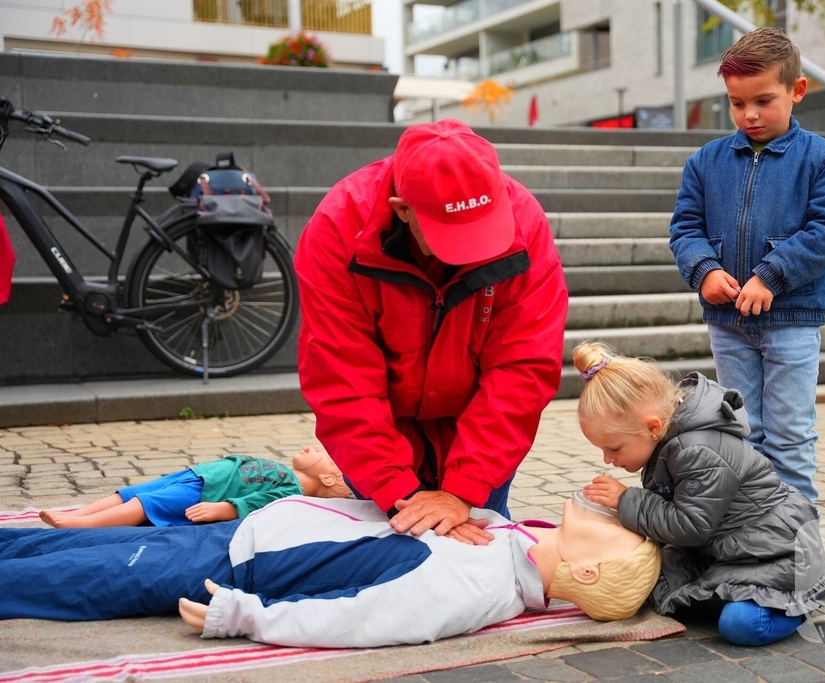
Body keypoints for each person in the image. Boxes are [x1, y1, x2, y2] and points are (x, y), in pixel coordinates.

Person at [294, 118, 568, 540]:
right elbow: (341, 379)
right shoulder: (339, 229)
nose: (471, 253)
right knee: (394, 558)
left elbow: (523, 368)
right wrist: (396, 490)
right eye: (454, 237)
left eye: (481, 232)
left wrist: (463, 490)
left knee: (476, 554)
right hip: (384, 429)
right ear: (402, 208)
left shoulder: (523, 224)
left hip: (477, 428)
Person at [1, 495, 661, 649]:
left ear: (590, 568)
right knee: (33, 549)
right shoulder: (505, 535)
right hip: (247, 535)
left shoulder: (476, 583)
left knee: (59, 577)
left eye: (618, 530)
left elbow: (360, 619)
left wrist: (247, 616)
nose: (616, 511)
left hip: (234, 564)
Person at [667, 28, 825, 502]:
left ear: (797, 90)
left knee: (790, 439)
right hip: (728, 324)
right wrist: (703, 270)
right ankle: (752, 534)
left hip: (792, 323)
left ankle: (795, 548)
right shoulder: (706, 161)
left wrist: (771, 274)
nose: (748, 114)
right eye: (736, 102)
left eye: (763, 100)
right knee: (743, 436)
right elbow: (685, 229)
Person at [573, 342, 825, 647]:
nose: (608, 459)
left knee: (741, 625)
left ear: (652, 426)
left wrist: (627, 501)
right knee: (645, 586)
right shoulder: (668, 443)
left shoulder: (697, 450)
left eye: (614, 448)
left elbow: (690, 525)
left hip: (778, 556)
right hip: (728, 552)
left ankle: (796, 603)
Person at [38, 446, 350, 528]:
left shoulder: (291, 491)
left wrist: (219, 509)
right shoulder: (285, 472)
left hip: (206, 493)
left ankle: (83, 524)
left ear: (328, 479)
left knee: (145, 504)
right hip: (202, 474)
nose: (314, 447)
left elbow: (256, 502)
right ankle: (81, 513)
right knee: (134, 492)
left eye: (323, 454)